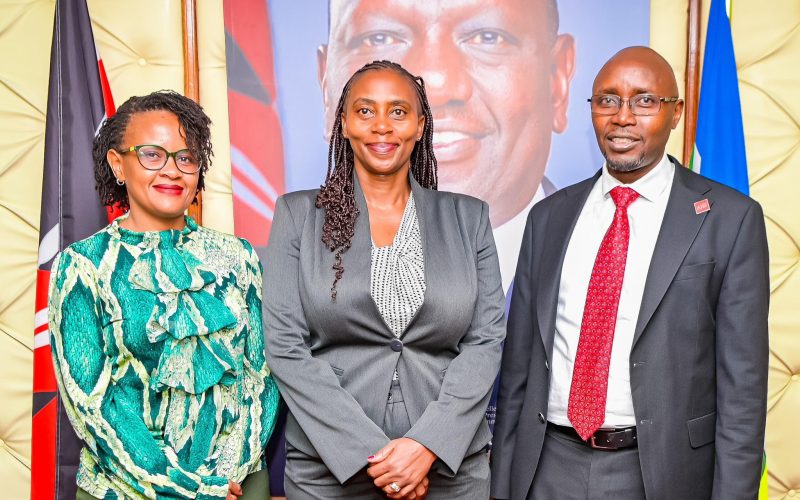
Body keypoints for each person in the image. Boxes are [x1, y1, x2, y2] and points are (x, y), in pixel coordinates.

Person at [490, 46, 769, 500]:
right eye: (607, 100)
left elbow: (742, 390)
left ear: (675, 113)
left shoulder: (728, 219)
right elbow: (517, 371)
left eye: (644, 100)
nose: (622, 117)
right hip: (546, 465)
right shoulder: (549, 217)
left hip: (658, 472)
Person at [263, 60, 506, 499]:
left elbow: (485, 341)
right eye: (365, 110)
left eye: (398, 112)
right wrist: (377, 456)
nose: (382, 126)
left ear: (419, 125)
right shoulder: (298, 216)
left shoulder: (469, 219)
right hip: (330, 472)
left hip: (448, 470)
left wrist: (425, 444)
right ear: (344, 123)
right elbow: (285, 346)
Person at [48, 90, 280, 499]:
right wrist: (188, 488)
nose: (172, 170)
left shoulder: (239, 257)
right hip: (125, 489)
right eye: (152, 155)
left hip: (236, 487)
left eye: (186, 157)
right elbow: (93, 405)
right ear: (118, 164)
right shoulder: (81, 265)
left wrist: (222, 476)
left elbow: (262, 374)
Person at [318, 0, 575, 292]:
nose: (436, 85)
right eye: (381, 38)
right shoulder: (268, 284)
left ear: (557, 81)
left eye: (487, 37)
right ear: (327, 89)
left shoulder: (611, 269)